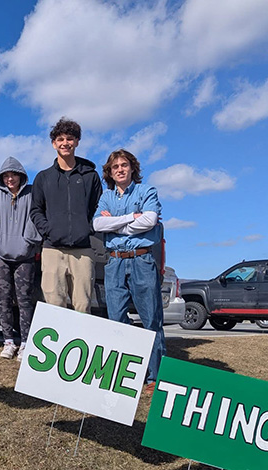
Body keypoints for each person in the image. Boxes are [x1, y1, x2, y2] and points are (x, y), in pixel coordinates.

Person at [93, 149, 165, 393]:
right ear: (110, 173)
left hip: (141, 260)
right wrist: (129, 218)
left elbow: (150, 221)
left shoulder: (147, 191)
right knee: (116, 319)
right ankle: (126, 374)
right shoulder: (105, 197)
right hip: (114, 262)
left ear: (132, 168)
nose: (120, 170)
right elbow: (97, 224)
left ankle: (154, 376)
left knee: (150, 318)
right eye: (115, 167)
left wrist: (115, 223)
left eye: (124, 165)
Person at [29, 118, 102, 314]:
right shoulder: (43, 177)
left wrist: (87, 228)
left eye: (70, 138)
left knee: (83, 306)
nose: (65, 143)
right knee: (54, 306)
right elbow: (35, 210)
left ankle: (81, 343)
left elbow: (98, 207)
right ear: (54, 144)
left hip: (83, 250)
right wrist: (48, 230)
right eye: (60, 139)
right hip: (53, 250)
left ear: (77, 142)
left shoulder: (90, 176)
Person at [0, 157, 41, 361]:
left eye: (13, 174)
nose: (10, 178)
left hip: (25, 255)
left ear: (21, 176)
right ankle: (8, 341)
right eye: (6, 175)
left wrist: (28, 240)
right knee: (3, 299)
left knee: (25, 299)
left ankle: (26, 342)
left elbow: (36, 218)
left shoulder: (32, 192)